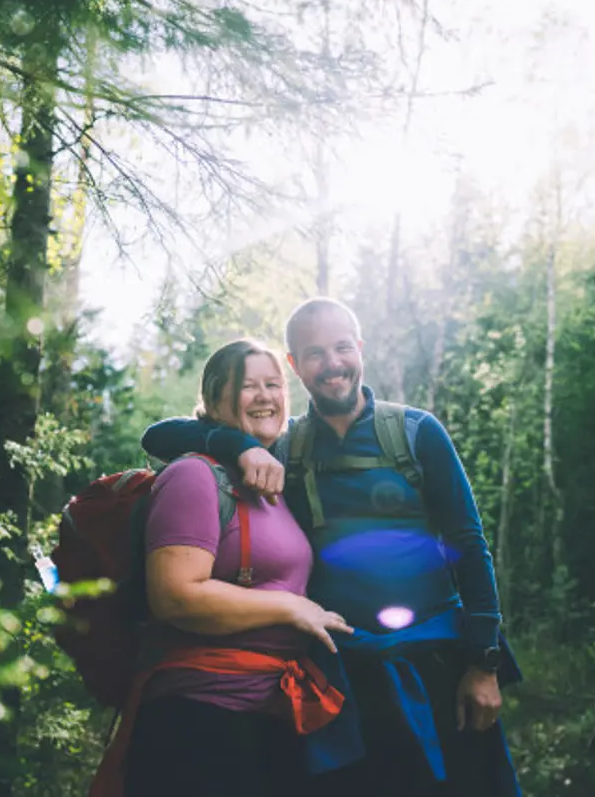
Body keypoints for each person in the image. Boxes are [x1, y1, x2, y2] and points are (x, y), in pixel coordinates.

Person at [141, 299, 522, 797]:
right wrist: (240, 447)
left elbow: (471, 547)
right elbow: (161, 435)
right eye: (315, 354)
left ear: (359, 349)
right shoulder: (285, 446)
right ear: (296, 365)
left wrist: (484, 664)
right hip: (342, 677)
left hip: (440, 667)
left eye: (342, 347)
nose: (333, 363)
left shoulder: (415, 432)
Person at [94, 339, 351, 797]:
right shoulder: (195, 476)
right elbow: (175, 596)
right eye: (248, 386)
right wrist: (291, 607)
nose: (265, 396)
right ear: (212, 401)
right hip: (200, 714)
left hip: (269, 712)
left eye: (274, 384)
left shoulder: (272, 478)